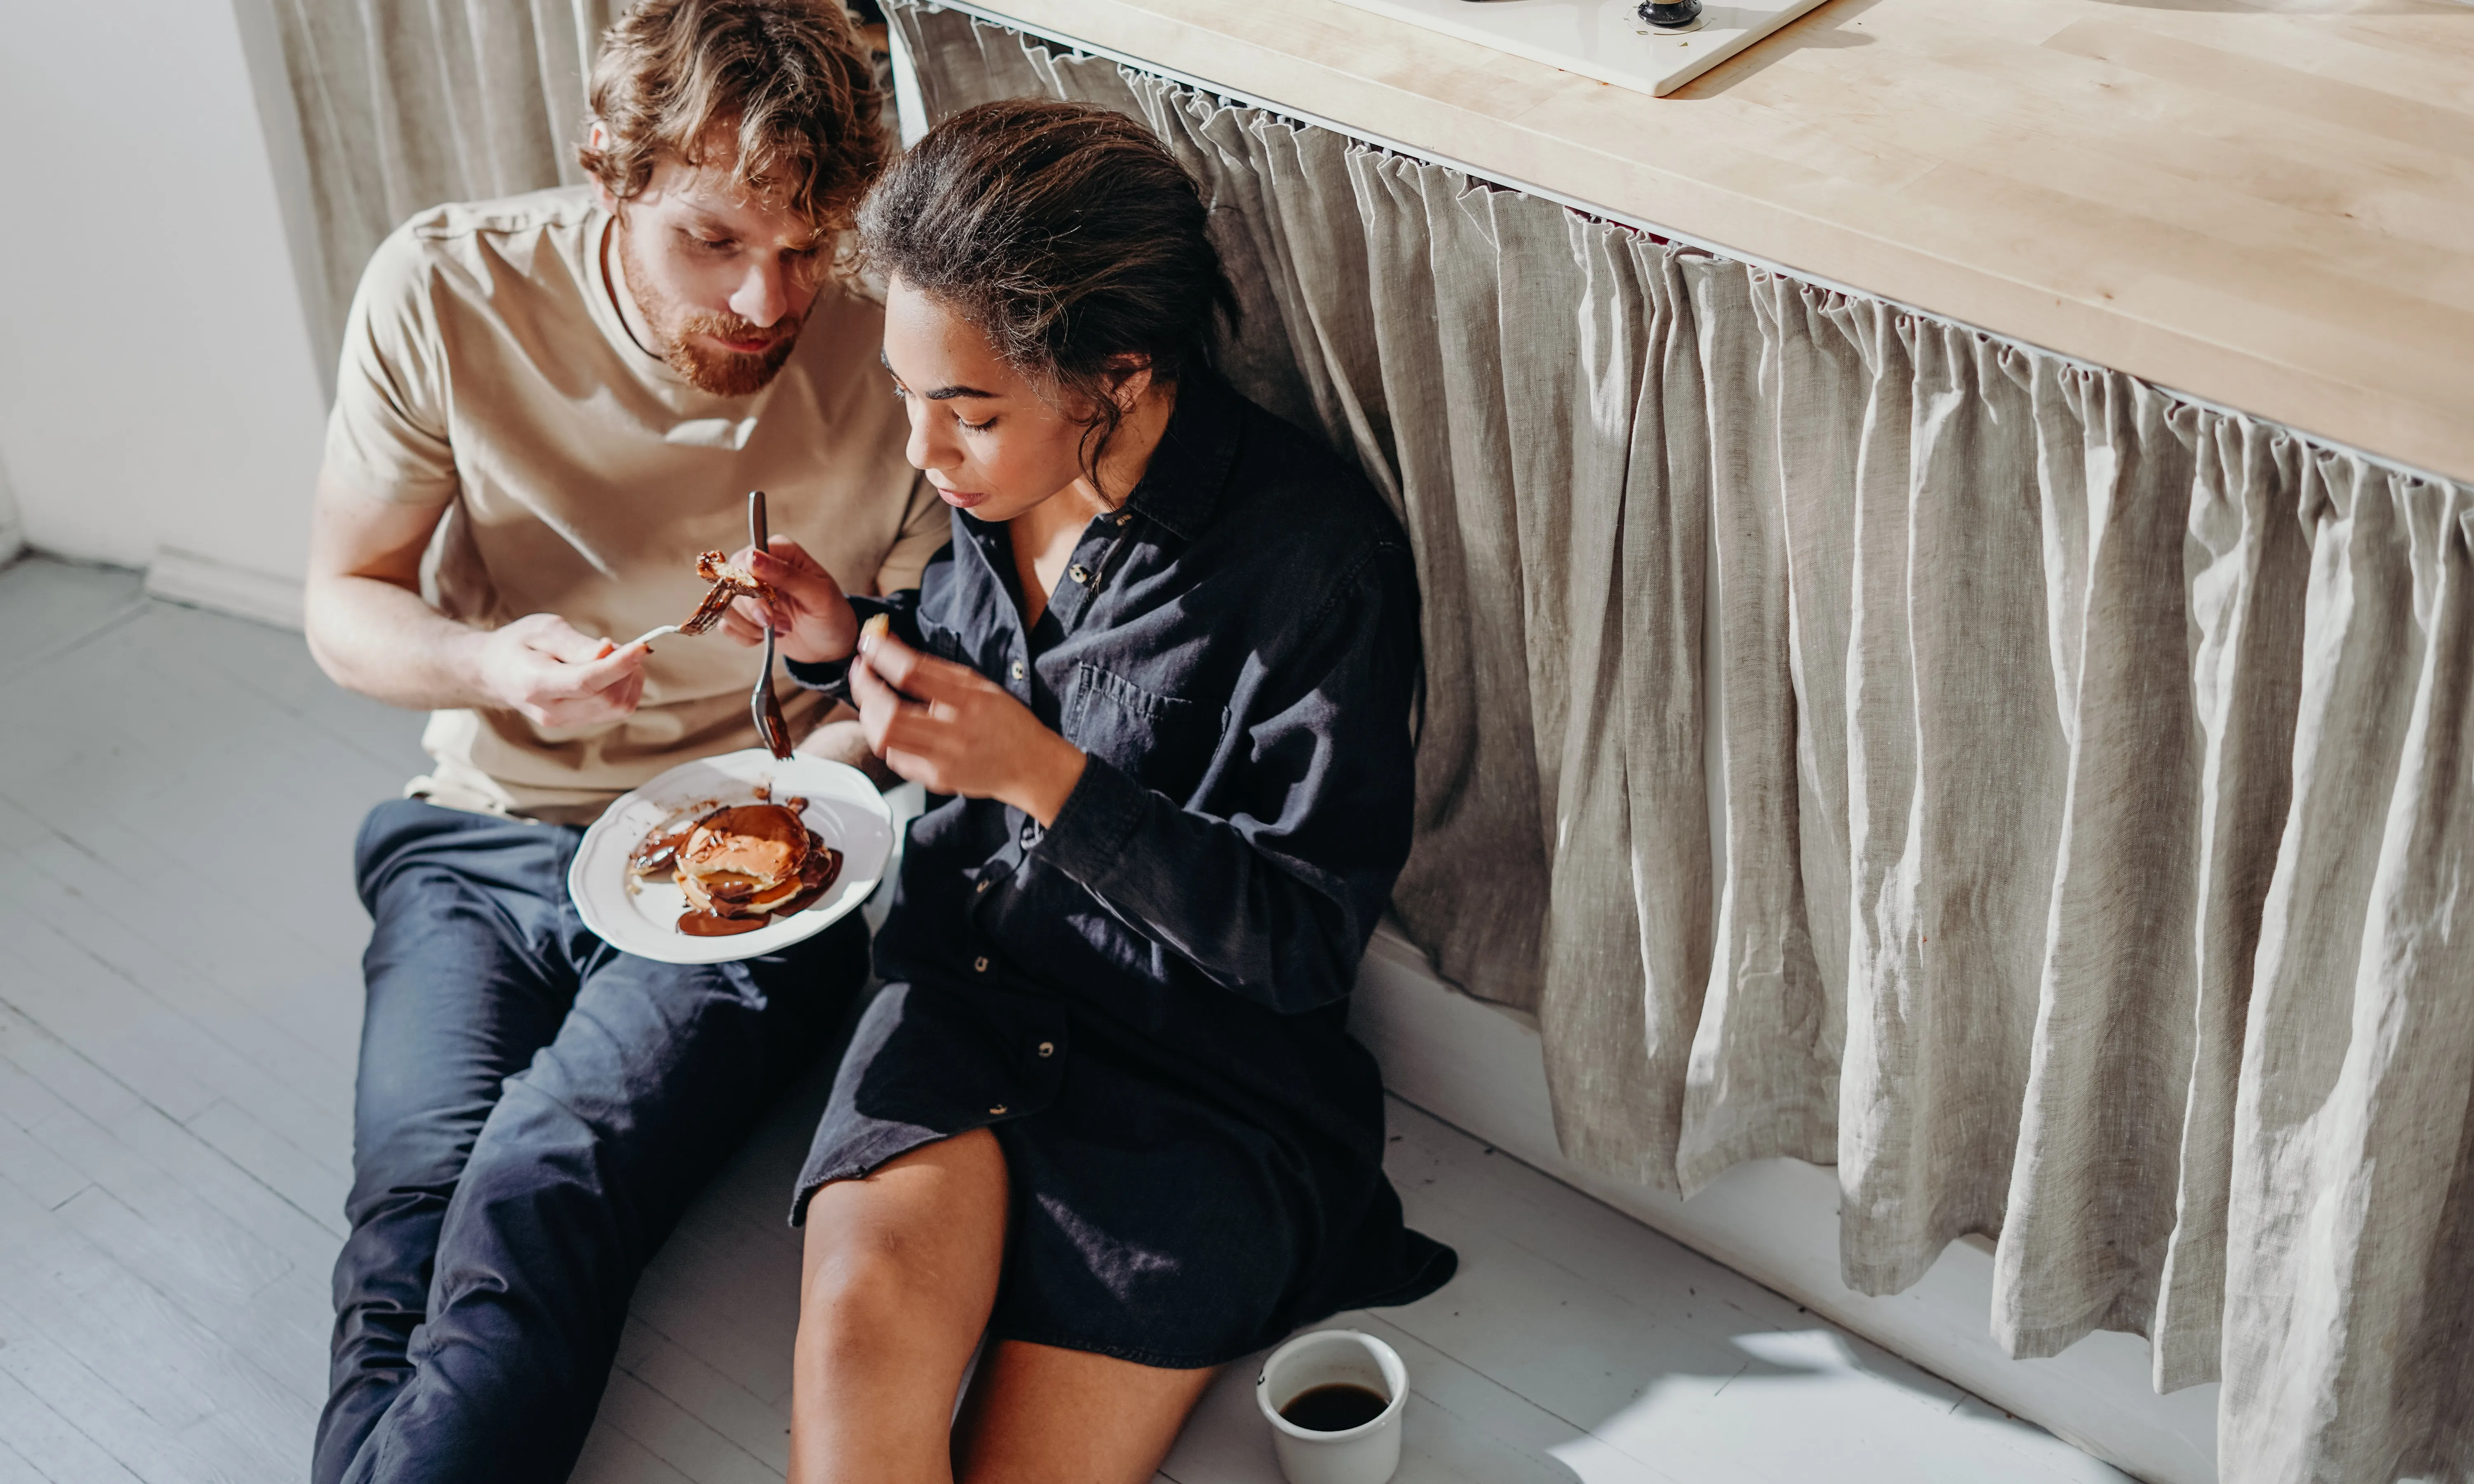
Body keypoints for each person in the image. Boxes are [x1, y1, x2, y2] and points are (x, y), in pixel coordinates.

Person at [726, 98, 1458, 1484]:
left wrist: (1052, 785)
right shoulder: (995, 494)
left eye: (967, 410)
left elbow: (1300, 944)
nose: (920, 452)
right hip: (964, 1005)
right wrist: (847, 640)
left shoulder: (1314, 565)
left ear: (1114, 378)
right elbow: (969, 668)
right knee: (853, 1436)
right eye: (906, 392)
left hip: (1196, 1092)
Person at [297, 2, 943, 1479]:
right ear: (612, 173)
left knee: (538, 1197)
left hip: (760, 879)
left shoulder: (895, 330)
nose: (772, 303)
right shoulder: (447, 290)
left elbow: (915, 666)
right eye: (715, 242)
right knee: (406, 1221)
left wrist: (796, 797)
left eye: (808, 249)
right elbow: (344, 605)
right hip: (483, 837)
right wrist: (489, 666)